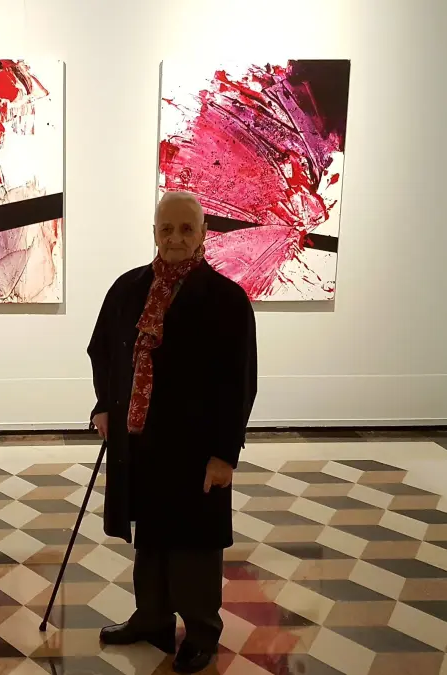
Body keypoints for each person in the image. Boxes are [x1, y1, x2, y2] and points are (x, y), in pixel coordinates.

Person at [87, 191, 258, 673]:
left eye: (186, 228)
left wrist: (224, 454)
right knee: (151, 535)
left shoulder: (227, 300)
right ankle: (152, 618)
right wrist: (104, 406)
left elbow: (240, 382)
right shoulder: (128, 289)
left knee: (195, 543)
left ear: (203, 233)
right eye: (167, 229)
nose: (176, 238)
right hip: (141, 440)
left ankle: (201, 631)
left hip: (196, 446)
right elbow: (103, 350)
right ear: (154, 233)